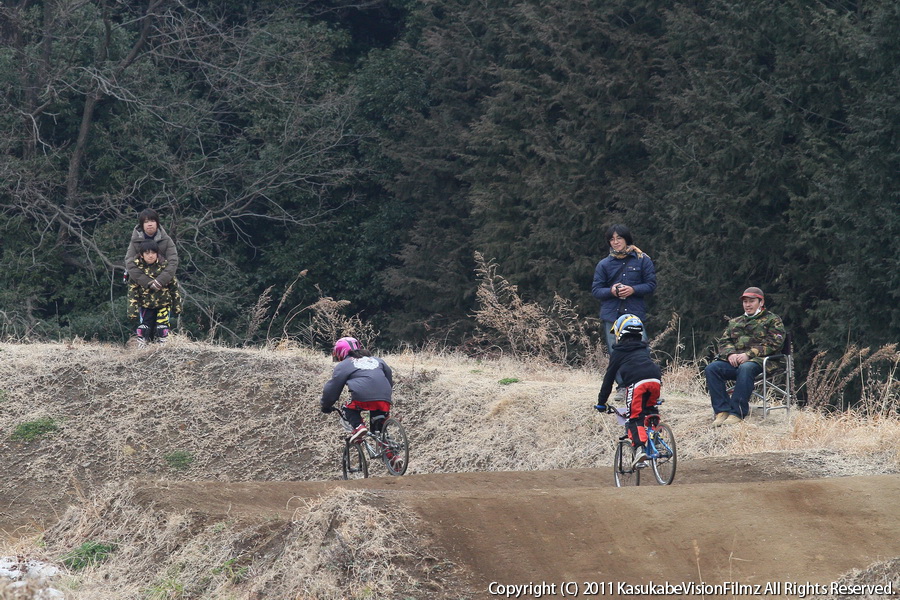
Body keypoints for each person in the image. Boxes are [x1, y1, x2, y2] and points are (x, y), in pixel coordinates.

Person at [591, 224, 657, 398]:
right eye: (612, 239)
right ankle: (623, 387)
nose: (615, 242)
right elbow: (596, 290)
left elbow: (651, 285)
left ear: (626, 239)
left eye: (619, 238)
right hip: (612, 314)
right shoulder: (604, 264)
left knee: (641, 348)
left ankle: (646, 387)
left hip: (634, 313)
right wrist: (611, 291)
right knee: (616, 351)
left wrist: (633, 289)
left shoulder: (643, 260)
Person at [705, 287, 785, 426]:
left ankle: (737, 412)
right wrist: (731, 354)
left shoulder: (772, 320)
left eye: (752, 301)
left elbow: (775, 343)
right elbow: (724, 341)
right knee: (712, 368)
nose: (748, 305)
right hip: (736, 362)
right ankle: (722, 410)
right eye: (745, 302)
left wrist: (748, 355)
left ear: (761, 302)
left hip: (762, 362)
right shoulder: (735, 322)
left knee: (746, 368)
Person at [595, 314, 662, 468]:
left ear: (620, 332)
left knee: (635, 416)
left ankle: (639, 450)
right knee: (650, 410)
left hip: (637, 383)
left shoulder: (618, 352)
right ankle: (655, 441)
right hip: (655, 380)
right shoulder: (644, 348)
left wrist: (601, 402)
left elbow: (609, 378)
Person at [320, 337, 394, 444]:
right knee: (379, 432)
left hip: (363, 398)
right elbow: (388, 377)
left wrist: (326, 405)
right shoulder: (378, 360)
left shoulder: (344, 365)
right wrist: (384, 394)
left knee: (347, 408)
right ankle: (393, 457)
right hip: (384, 398)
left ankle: (359, 427)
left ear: (340, 352)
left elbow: (332, 388)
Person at [127, 240, 182, 346]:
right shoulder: (136, 269)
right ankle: (141, 346)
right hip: (145, 305)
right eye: (147, 253)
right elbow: (132, 291)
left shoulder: (165, 267)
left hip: (163, 303)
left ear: (157, 254)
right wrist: (132, 311)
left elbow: (174, 287)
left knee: (162, 328)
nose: (150, 256)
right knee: (144, 328)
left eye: (153, 253)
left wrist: (177, 306)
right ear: (142, 255)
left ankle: (164, 347)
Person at [125, 208, 178, 292]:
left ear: (157, 223)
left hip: (164, 285)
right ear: (142, 225)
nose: (149, 224)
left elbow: (173, 262)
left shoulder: (166, 240)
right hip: (140, 288)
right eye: (146, 222)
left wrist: (159, 281)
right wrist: (147, 282)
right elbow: (129, 263)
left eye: (152, 221)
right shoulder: (135, 241)